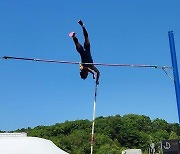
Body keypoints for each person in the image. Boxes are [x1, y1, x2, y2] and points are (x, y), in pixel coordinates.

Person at [69, 20, 100, 85]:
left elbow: (97, 72)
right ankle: (76, 33)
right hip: (86, 50)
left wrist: (95, 77)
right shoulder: (89, 67)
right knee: (85, 39)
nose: (87, 74)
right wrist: (96, 79)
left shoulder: (84, 67)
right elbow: (97, 72)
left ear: (84, 74)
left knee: (81, 42)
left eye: (86, 75)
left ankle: (75, 34)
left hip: (83, 52)